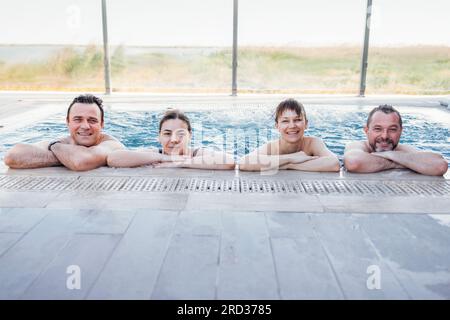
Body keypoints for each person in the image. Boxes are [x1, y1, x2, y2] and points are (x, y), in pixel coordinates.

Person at [4, 94, 124, 171]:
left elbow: (81, 161)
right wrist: (64, 156)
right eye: (78, 119)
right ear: (68, 122)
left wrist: (55, 150)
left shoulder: (111, 144)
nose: (85, 126)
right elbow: (12, 156)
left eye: (92, 120)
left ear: (102, 124)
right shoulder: (61, 143)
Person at [107, 109, 235, 170]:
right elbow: (113, 158)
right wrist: (165, 158)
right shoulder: (154, 154)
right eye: (167, 133)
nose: (173, 140)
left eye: (180, 134)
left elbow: (229, 161)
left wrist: (179, 163)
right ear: (159, 136)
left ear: (190, 135)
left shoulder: (197, 153)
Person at [239, 99, 340, 172]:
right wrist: (291, 157)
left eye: (298, 120)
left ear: (306, 124)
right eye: (285, 121)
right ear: (277, 126)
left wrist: (289, 165)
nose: (292, 126)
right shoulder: (273, 147)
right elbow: (243, 163)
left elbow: (334, 164)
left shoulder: (313, 143)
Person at [344, 104, 448, 176]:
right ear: (366, 131)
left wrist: (390, 155)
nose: (384, 136)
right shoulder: (358, 146)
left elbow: (440, 165)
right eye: (378, 129)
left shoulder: (403, 149)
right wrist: (402, 163)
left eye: (392, 129)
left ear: (401, 131)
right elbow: (353, 162)